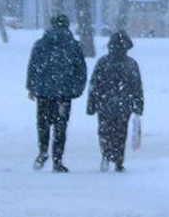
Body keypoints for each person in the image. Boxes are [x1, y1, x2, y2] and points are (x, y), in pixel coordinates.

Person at [26, 14, 87, 172]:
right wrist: (77, 89)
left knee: (43, 125)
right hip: (64, 95)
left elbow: (33, 66)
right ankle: (57, 160)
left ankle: (43, 151)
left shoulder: (40, 44)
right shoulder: (74, 46)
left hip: (44, 93)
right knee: (61, 128)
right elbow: (81, 70)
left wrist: (31, 87)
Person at [85, 30, 144, 173]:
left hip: (104, 104)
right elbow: (137, 86)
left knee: (104, 131)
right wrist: (138, 105)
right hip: (124, 105)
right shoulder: (131, 64)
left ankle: (105, 154)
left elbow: (94, 85)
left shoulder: (103, 62)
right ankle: (118, 160)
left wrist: (91, 104)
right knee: (120, 133)